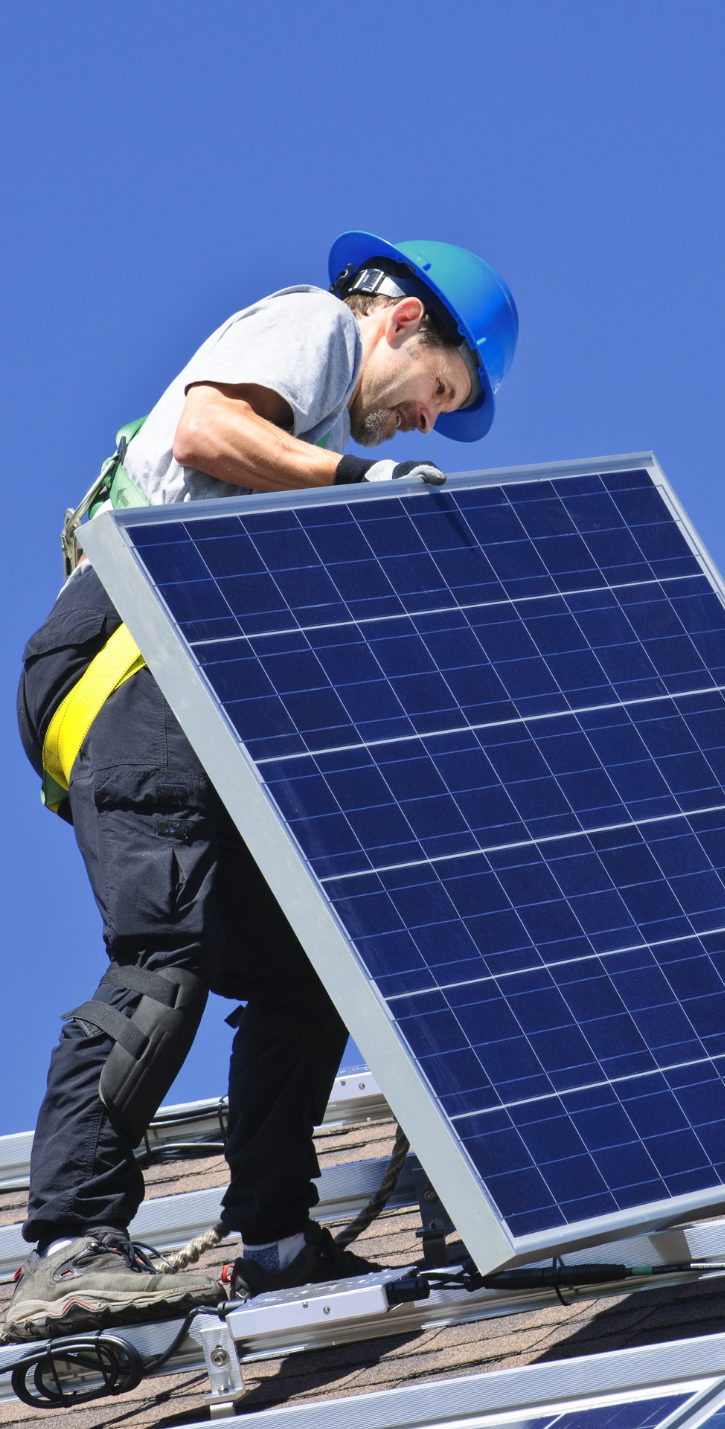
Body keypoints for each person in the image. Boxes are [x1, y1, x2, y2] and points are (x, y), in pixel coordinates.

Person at [6, 234, 518, 1341]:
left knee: (309, 970)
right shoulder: (317, 328)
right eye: (441, 392)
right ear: (400, 323)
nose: (429, 421)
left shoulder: (328, 428)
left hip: (197, 696)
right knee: (166, 948)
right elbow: (203, 429)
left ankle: (276, 1239)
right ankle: (69, 1248)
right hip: (132, 664)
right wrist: (360, 476)